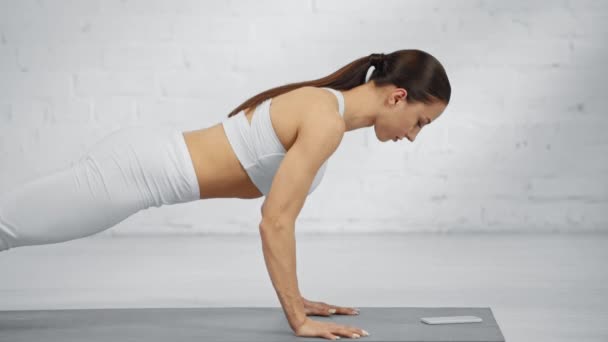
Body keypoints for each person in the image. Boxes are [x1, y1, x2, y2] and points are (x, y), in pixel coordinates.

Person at [0, 49, 451, 340]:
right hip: (134, 172)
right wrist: (297, 316)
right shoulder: (325, 120)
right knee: (6, 227)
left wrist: (298, 296)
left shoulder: (325, 110)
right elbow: (275, 220)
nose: (413, 136)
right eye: (420, 122)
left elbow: (276, 216)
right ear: (397, 97)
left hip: (141, 168)